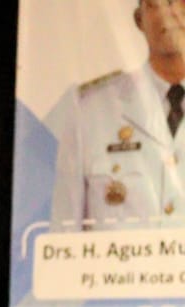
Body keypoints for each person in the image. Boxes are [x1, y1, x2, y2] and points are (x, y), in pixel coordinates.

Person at [49, 2, 185, 229]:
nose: (168, 14)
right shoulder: (90, 109)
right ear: (139, 20)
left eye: (178, 3)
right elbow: (65, 231)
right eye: (154, 4)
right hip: (123, 265)